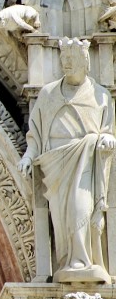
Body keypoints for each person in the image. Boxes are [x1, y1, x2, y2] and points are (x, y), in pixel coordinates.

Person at [19, 38, 116, 282]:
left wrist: (105, 140)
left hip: (86, 160)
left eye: (72, 60)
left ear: (86, 62)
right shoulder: (49, 94)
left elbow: (108, 131)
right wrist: (29, 156)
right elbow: (36, 134)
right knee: (61, 224)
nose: (67, 64)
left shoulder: (100, 96)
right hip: (55, 165)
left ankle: (82, 262)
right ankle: (67, 260)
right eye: (64, 59)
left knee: (80, 208)